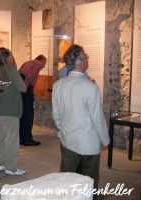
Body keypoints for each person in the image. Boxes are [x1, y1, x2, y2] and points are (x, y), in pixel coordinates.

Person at [52, 44, 110, 192]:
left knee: (67, 181)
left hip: (67, 140)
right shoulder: (90, 87)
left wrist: (64, 129)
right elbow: (97, 119)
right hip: (88, 143)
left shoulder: (58, 85)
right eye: (86, 57)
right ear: (81, 60)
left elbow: (56, 115)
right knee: (89, 183)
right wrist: (105, 140)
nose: (87, 60)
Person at [0, 47, 27, 176]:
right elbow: (23, 88)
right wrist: (14, 67)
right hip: (10, 109)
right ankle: (11, 167)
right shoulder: (12, 70)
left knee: (2, 138)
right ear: (8, 58)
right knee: (11, 140)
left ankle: (2, 163)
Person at [19, 55, 47, 146]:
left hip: (21, 91)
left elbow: (20, 73)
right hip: (26, 91)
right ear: (41, 60)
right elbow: (30, 76)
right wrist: (27, 87)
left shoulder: (27, 62)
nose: (44, 66)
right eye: (45, 63)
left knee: (23, 115)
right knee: (29, 115)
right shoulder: (38, 64)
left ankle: (21, 138)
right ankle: (27, 139)